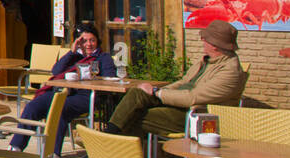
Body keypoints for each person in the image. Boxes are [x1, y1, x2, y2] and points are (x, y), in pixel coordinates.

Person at [104, 20, 245, 149]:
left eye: (205, 39)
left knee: (136, 114)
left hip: (197, 115)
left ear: (215, 45)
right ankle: (109, 138)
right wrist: (158, 91)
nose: (202, 40)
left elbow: (193, 98)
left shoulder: (230, 72)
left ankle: (115, 149)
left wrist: (156, 93)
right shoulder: (207, 60)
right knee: (137, 94)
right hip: (178, 105)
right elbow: (183, 82)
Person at [9, 25, 115, 155]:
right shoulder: (75, 56)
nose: (88, 44)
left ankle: (52, 155)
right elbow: (56, 71)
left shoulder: (103, 58)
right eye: (84, 41)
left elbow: (110, 78)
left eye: (92, 40)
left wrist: (92, 78)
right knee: (33, 106)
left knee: (58, 109)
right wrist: (71, 52)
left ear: (97, 41)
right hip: (64, 92)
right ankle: (16, 147)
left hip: (86, 96)